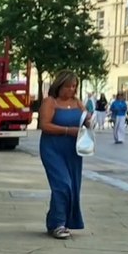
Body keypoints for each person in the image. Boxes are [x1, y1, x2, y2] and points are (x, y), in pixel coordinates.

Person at [38, 70, 93, 240]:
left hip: (73, 150)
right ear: (59, 85)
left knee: (73, 186)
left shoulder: (77, 103)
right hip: (52, 148)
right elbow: (44, 125)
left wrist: (89, 121)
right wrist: (69, 131)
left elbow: (86, 120)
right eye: (68, 86)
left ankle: (55, 221)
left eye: (74, 86)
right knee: (63, 184)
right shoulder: (50, 102)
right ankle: (59, 223)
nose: (71, 89)